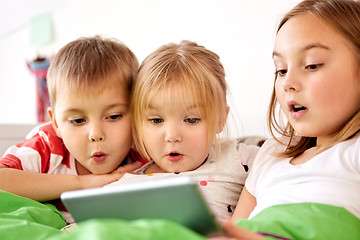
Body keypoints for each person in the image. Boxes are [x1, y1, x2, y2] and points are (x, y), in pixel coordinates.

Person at [221, 0, 360, 239]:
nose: (287, 83)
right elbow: (234, 230)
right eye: (281, 70)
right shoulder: (271, 154)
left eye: (311, 65)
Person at [105, 40, 261, 226]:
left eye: (191, 120)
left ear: (220, 119)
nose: (172, 135)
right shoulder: (121, 184)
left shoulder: (242, 159)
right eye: (156, 120)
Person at [0, 36, 146, 204]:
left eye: (113, 117)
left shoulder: (143, 149)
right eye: (77, 120)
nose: (95, 134)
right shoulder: (49, 145)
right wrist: (83, 184)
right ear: (56, 123)